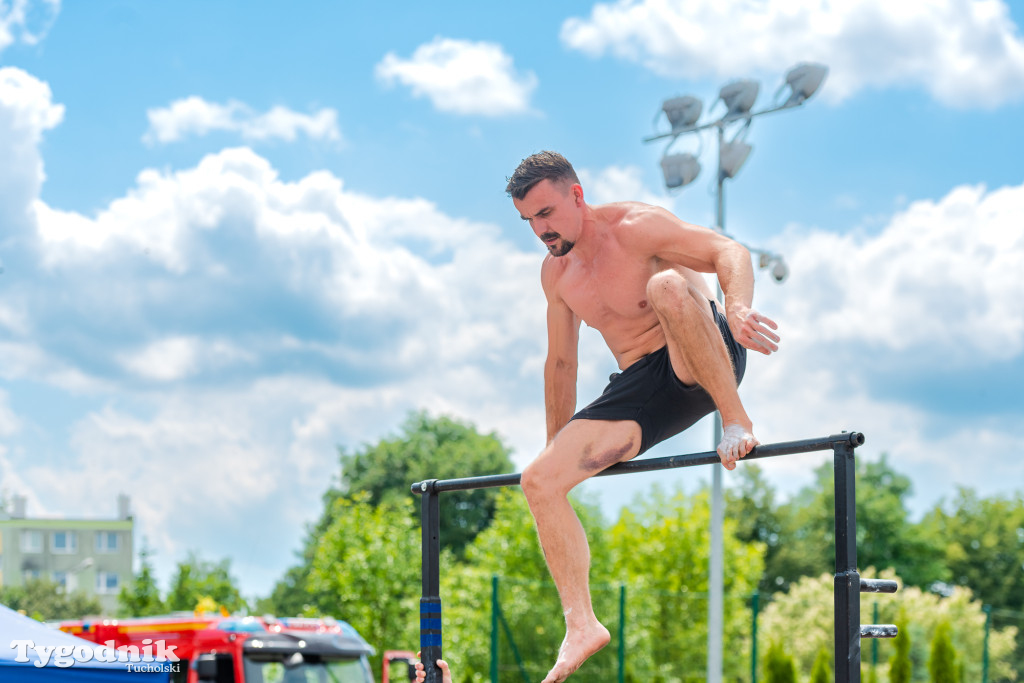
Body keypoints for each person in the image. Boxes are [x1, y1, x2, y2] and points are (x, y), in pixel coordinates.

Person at [505, 151, 780, 683]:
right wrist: (556, 450)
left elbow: (730, 250)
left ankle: (736, 419)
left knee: (666, 287)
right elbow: (561, 364)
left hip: (702, 350)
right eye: (529, 221)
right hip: (644, 389)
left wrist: (739, 307)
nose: (540, 230)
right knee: (537, 480)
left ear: (576, 195)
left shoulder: (636, 227)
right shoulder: (556, 274)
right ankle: (581, 625)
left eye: (546, 213)